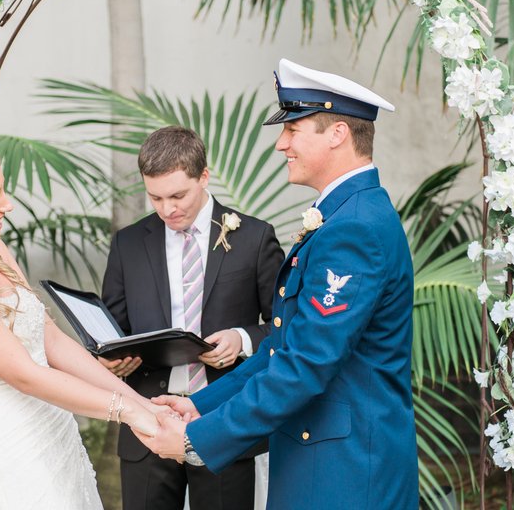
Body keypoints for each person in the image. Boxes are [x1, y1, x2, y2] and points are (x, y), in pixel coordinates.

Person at [136, 59, 419, 509]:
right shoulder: (345, 216)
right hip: (320, 460)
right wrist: (202, 406)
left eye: (293, 129)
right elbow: (281, 349)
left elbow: (304, 365)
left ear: (337, 134)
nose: (280, 144)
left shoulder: (356, 228)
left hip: (345, 473)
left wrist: (196, 439)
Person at [0, 138, 162, 509]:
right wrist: (127, 412)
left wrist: (143, 404)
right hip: (14, 460)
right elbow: (25, 374)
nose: (7, 205)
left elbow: (50, 340)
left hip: (57, 438)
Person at [101, 126, 284, 510]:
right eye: (156, 198)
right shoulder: (128, 243)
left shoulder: (254, 237)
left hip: (224, 420)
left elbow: (287, 328)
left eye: (178, 195)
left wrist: (243, 338)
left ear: (204, 176)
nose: (168, 209)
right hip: (148, 419)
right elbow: (112, 329)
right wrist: (111, 359)